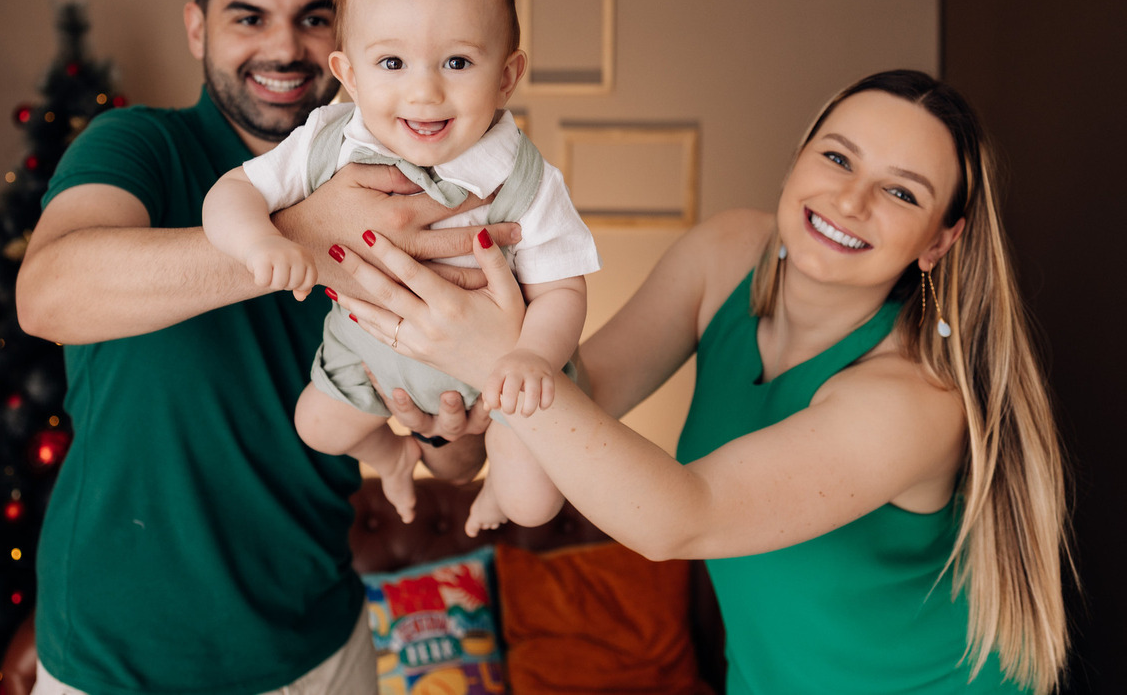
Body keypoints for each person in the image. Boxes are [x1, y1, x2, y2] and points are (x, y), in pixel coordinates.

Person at [328, 70, 1073, 694]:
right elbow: (578, 388)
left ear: (942, 239)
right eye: (838, 158)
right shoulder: (727, 254)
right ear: (800, 158)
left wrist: (493, 356)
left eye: (902, 192)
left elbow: (679, 518)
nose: (850, 201)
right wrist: (458, 367)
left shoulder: (914, 400)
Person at [13, 0, 512, 695]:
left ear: (346, 38)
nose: (283, 46)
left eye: (315, 18)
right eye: (248, 17)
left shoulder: (416, 180)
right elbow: (48, 293)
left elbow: (457, 456)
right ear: (197, 28)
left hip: (321, 650)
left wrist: (451, 429)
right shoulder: (141, 146)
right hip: (117, 662)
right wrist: (311, 233)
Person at [202, 0, 601, 535]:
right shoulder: (327, 141)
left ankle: (496, 481)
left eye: (458, 61)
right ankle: (389, 454)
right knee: (316, 427)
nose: (424, 90)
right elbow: (232, 192)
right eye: (392, 62)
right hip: (369, 354)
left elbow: (563, 290)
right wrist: (258, 239)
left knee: (532, 505)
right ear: (350, 74)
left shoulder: (526, 180)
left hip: (501, 370)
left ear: (507, 75)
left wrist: (530, 358)